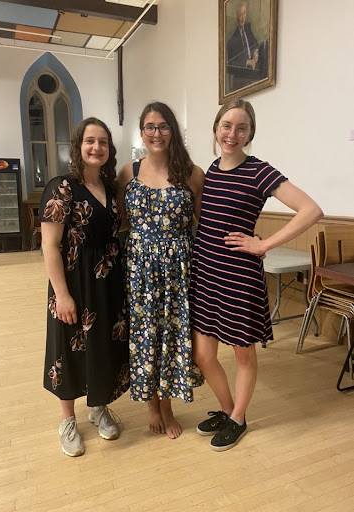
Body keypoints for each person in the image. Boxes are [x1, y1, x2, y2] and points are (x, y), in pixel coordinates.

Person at [189, 98, 323, 451]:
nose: (232, 133)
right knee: (203, 356)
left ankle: (238, 418)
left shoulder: (259, 170)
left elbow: (311, 210)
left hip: (238, 278)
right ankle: (227, 409)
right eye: (226, 126)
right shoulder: (212, 170)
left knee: (242, 354)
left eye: (241, 127)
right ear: (216, 129)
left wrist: (264, 245)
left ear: (250, 133)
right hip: (206, 276)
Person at [40, 117, 129, 457]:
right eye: (90, 141)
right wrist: (61, 294)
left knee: (104, 344)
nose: (96, 147)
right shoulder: (62, 187)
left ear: (109, 148)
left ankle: (99, 406)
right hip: (74, 282)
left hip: (107, 281)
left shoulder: (110, 188)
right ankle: (67, 419)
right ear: (78, 146)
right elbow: (50, 245)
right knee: (69, 348)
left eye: (103, 142)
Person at [117, 102, 204, 439]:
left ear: (173, 131)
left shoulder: (192, 173)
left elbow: (206, 224)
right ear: (141, 132)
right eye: (150, 126)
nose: (156, 132)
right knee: (145, 338)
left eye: (163, 126)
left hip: (179, 271)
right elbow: (117, 223)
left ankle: (167, 406)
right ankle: (152, 404)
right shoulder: (128, 172)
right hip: (138, 270)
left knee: (172, 338)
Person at [227, 1, 259, 71]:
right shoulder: (232, 40)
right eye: (240, 14)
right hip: (242, 74)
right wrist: (247, 62)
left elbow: (255, 42)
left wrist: (255, 51)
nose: (242, 18)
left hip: (255, 68)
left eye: (244, 13)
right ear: (236, 16)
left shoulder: (248, 29)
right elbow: (231, 63)